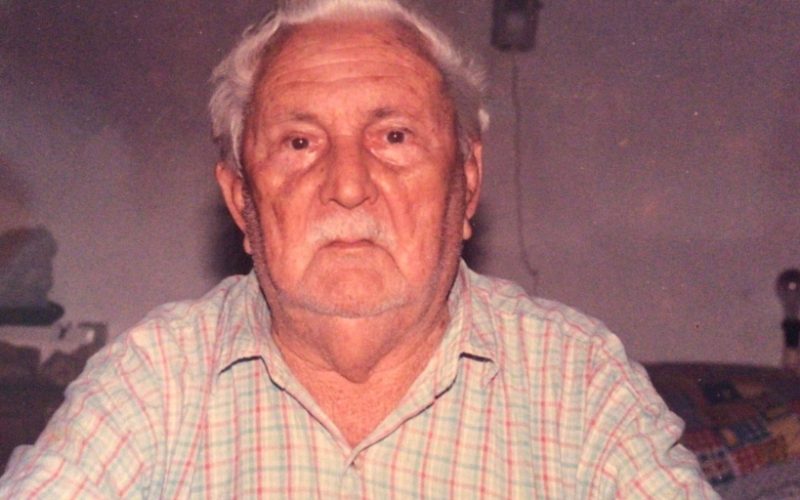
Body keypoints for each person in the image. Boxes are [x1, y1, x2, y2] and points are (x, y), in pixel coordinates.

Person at [0, 0, 717, 497]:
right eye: (299, 142)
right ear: (243, 200)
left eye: (393, 136)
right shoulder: (153, 379)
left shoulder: (576, 380)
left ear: (467, 182)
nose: (347, 185)